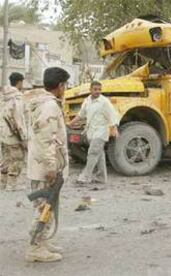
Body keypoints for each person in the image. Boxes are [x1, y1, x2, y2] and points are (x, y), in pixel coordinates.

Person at [24, 67, 70, 262]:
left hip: (40, 164)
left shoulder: (40, 103)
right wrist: (51, 167)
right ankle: (35, 248)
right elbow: (46, 139)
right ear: (60, 86)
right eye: (65, 85)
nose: (66, 89)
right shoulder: (49, 106)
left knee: (46, 207)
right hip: (45, 168)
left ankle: (42, 242)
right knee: (45, 208)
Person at [69, 81, 119, 185]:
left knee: (92, 154)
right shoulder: (87, 101)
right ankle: (101, 178)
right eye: (95, 89)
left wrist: (114, 128)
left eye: (99, 89)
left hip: (101, 132)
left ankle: (84, 177)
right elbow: (81, 114)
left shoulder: (104, 102)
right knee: (99, 154)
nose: (98, 91)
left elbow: (112, 114)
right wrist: (71, 123)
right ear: (90, 90)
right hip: (91, 132)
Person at [0, 72, 27, 191]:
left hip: (3, 134)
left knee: (5, 158)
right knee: (17, 158)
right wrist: (23, 137)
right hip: (13, 135)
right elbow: (18, 119)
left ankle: (2, 183)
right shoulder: (16, 97)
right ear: (20, 82)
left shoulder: (3, 96)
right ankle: (11, 185)